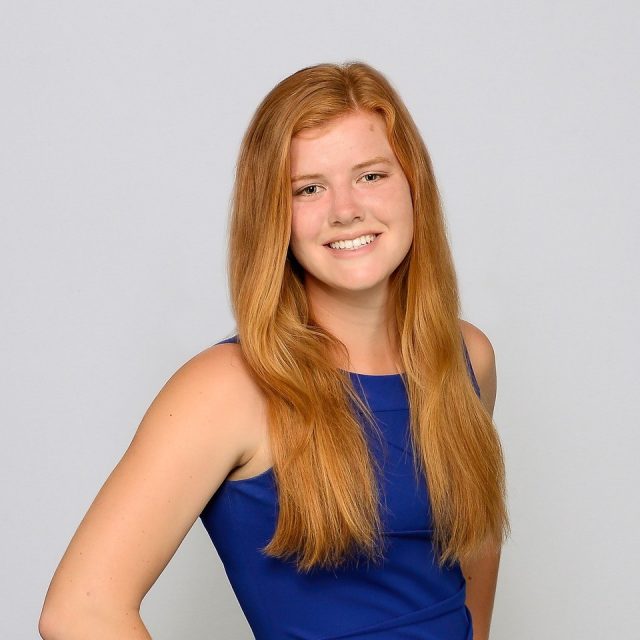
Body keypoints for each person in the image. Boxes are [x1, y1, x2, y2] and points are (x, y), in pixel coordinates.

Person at [39, 61, 509, 640]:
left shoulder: (467, 357)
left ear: (414, 186)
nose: (345, 209)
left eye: (370, 175)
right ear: (275, 216)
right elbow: (82, 611)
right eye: (308, 188)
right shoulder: (228, 388)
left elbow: (471, 561)